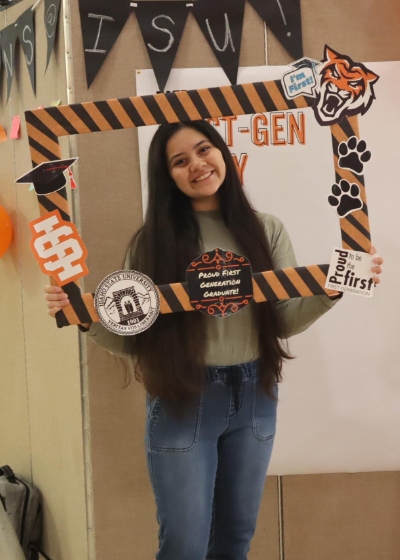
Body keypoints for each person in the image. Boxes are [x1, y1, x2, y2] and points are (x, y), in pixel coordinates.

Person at [44, 120, 383, 560]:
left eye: (204, 150)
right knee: (183, 546)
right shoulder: (153, 243)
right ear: (167, 177)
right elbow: (136, 339)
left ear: (222, 152)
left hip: (256, 394)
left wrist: (334, 288)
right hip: (183, 398)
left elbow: (282, 320)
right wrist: (83, 318)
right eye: (180, 161)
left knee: (234, 541)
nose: (197, 165)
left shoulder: (267, 229)